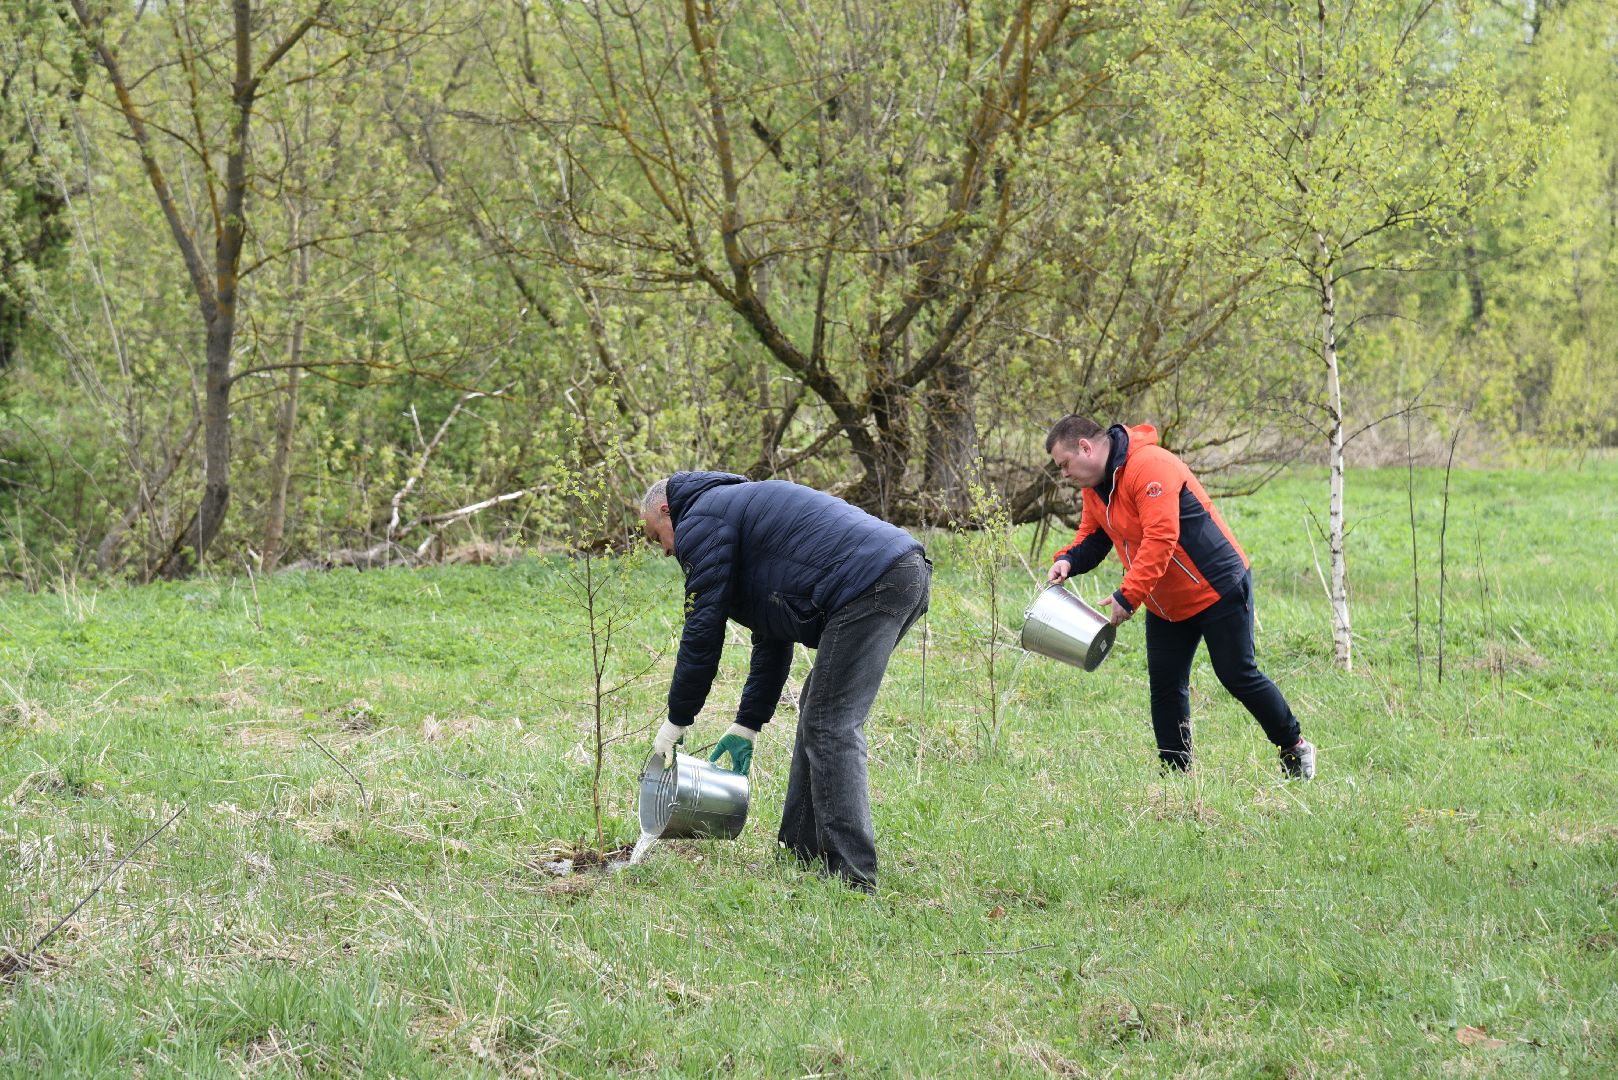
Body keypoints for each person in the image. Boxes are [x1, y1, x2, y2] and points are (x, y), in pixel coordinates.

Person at [640, 472, 930, 891]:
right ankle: (800, 850)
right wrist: (748, 723)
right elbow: (773, 632)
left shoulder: (701, 518)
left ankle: (853, 875)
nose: (666, 551)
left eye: (657, 537)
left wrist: (676, 721)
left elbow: (702, 628)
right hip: (899, 572)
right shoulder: (732, 510)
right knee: (820, 711)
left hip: (871, 580)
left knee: (831, 723)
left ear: (667, 511)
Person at [1044, 415, 1316, 779]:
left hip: (1218, 586)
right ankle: (1176, 776)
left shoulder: (1150, 465)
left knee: (1237, 674)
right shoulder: (1095, 487)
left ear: (1085, 447)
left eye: (1064, 464)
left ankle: (1294, 746)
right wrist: (1067, 561)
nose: (1064, 473)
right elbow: (1093, 538)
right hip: (1166, 600)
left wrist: (1129, 595)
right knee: (1166, 686)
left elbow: (1161, 538)